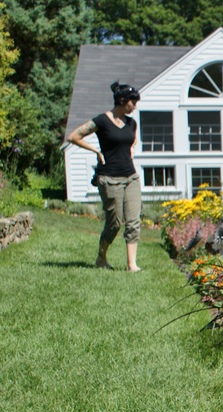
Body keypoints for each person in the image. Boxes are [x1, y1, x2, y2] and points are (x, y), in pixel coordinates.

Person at [66, 81, 142, 271]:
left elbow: (132, 140)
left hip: (131, 177)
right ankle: (101, 258)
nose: (135, 106)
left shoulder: (132, 123)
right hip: (109, 178)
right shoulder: (102, 121)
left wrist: (131, 148)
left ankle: (131, 265)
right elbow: (73, 136)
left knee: (133, 221)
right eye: (133, 102)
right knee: (115, 222)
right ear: (123, 101)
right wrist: (96, 152)